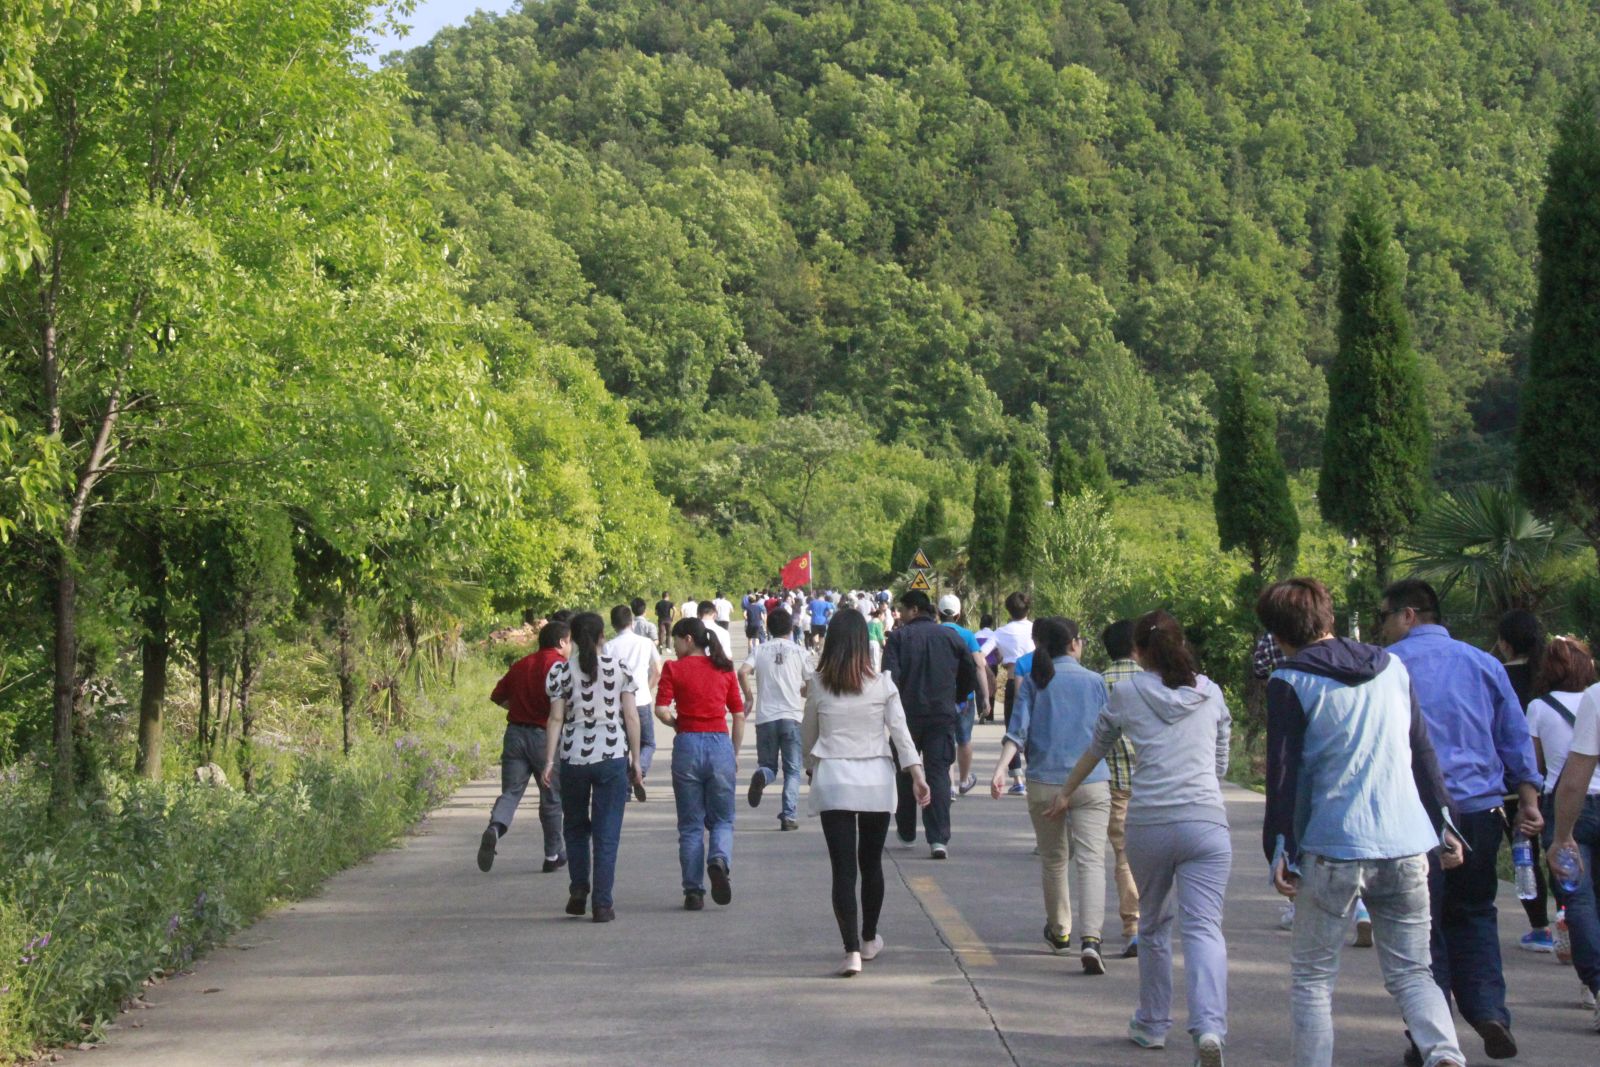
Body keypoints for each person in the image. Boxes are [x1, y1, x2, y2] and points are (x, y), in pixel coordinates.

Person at [1256, 578, 1466, 1067]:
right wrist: (1444, 822)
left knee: (1313, 979)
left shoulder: (1289, 680)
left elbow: (1283, 774)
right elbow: (1422, 751)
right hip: (1407, 843)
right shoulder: (1392, 666)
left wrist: (1279, 849)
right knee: (1415, 972)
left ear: (1278, 634)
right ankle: (1445, 1055)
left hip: (1332, 847)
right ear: (1327, 616)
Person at [1045, 610, 1232, 1066]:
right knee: (1204, 928)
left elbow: (1097, 748)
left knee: (1152, 926)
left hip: (1150, 823)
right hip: (1207, 823)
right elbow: (1221, 762)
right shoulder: (1211, 693)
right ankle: (1209, 1028)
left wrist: (1066, 792)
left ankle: (1151, 1024)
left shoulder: (1127, 693)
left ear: (1139, 651)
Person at [1378, 578, 1542, 1062]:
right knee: (1474, 914)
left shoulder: (1389, 668)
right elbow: (1514, 736)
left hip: (1416, 815)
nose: (1381, 626)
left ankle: (1431, 1036)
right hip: (1480, 813)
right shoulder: (1484, 663)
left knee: (1420, 926)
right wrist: (1528, 798)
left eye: (1384, 615)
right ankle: (1489, 1010)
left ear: (1409, 615)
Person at [804, 609, 931, 976]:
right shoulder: (884, 685)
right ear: (865, 643)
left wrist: (811, 769)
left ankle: (850, 952)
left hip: (834, 783)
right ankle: (869, 938)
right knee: (871, 863)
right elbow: (902, 736)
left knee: (843, 870)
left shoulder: (819, 684)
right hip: (876, 781)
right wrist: (918, 775)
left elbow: (807, 737)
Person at [992, 617, 1112, 972]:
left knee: (1054, 859)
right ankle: (1091, 939)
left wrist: (1001, 769)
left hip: (1045, 782)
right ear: (1074, 643)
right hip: (1091, 782)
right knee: (1092, 860)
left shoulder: (1033, 682)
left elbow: (1017, 732)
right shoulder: (1096, 682)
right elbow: (1109, 733)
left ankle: (1060, 932)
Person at [539, 612, 643, 923]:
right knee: (606, 832)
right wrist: (636, 760)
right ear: (602, 637)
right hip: (611, 756)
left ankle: (579, 888)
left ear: (573, 636)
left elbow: (556, 718)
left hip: (573, 758)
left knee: (574, 827)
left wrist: (548, 760)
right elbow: (632, 718)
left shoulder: (560, 671)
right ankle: (602, 904)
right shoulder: (618, 669)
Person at [1528, 636, 1600, 1020]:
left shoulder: (1540, 708)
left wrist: (1558, 837)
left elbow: (1540, 766)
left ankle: (1596, 985)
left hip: (1570, 806)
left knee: (1579, 899)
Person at [656, 618, 745, 910]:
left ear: (688, 640)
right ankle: (719, 859)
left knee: (691, 825)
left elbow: (660, 709)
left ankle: (693, 891)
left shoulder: (673, 668)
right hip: (720, 745)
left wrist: (678, 723)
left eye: (677, 640)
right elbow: (739, 714)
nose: (675, 645)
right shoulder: (724, 667)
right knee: (722, 819)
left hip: (687, 745)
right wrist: (734, 752)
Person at [883, 589, 977, 859]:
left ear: (914, 610)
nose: (899, 615)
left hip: (906, 716)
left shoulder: (899, 638)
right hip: (941, 715)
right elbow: (969, 670)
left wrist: (889, 710)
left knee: (905, 771)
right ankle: (938, 839)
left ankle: (907, 831)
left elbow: (889, 678)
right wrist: (958, 698)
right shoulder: (951, 636)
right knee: (937, 773)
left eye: (902, 609)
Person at [479, 620, 570, 875]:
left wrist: (518, 710)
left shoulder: (521, 664)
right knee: (551, 797)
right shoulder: (560, 666)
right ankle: (552, 854)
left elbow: (497, 695)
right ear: (562, 642)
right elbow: (563, 708)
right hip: (544, 736)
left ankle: (496, 827)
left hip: (515, 734)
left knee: (511, 792)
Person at [1496, 609, 1553, 952]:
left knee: (1525, 854)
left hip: (1511, 784)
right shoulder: (1551, 677)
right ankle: (1569, 918)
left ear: (1504, 644)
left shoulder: (1496, 676)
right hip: (1556, 781)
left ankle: (1540, 927)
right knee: (1562, 850)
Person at [741, 608, 811, 830]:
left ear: (768, 628)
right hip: (792, 717)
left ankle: (762, 775)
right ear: (791, 628)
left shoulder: (760, 650)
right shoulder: (800, 652)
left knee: (769, 765)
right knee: (792, 770)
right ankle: (789, 816)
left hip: (766, 718)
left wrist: (749, 697)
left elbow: (742, 672)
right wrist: (801, 692)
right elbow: (812, 684)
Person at [1100, 620, 1142, 957]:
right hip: (1156, 784)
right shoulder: (1155, 682)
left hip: (1116, 785)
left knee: (1124, 857)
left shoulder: (1101, 683)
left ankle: (1133, 925)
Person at [980, 592, 1035, 794]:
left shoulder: (1001, 632)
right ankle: (1035, 776)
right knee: (1035, 730)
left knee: (1013, 730)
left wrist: (989, 673)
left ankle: (1018, 779)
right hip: (1038, 683)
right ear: (1028, 609)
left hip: (1013, 682)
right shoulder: (1036, 629)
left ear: (1008, 611)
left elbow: (980, 654)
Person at [605, 604, 660, 802]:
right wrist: (647, 687)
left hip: (617, 703)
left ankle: (625, 788)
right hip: (642, 700)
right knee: (648, 742)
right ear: (632, 622)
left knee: (622, 746)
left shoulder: (609, 646)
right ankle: (638, 773)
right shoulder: (646, 643)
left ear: (613, 624)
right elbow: (657, 670)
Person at [939, 594, 990, 798]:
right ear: (959, 615)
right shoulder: (968, 636)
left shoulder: (933, 633)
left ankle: (949, 785)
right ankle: (964, 780)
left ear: (939, 613)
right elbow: (979, 666)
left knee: (946, 739)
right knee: (964, 739)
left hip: (940, 695)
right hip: (965, 697)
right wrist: (985, 696)